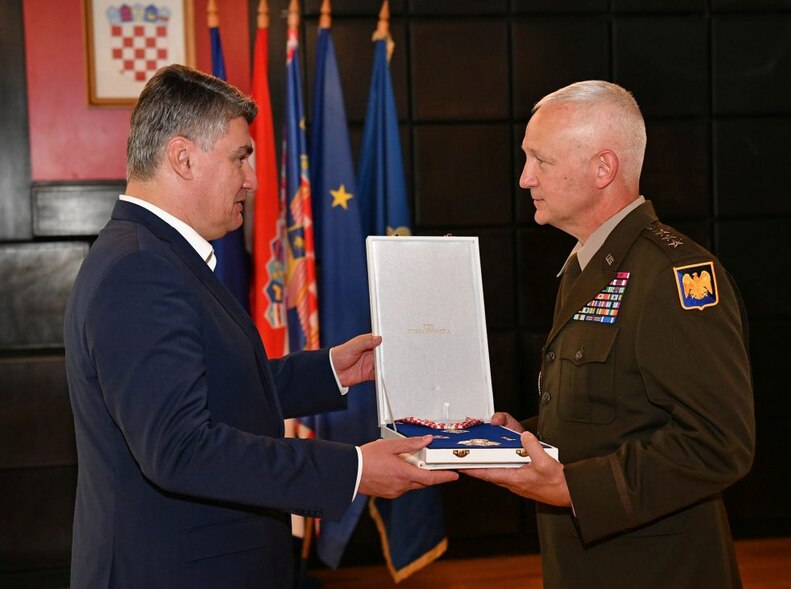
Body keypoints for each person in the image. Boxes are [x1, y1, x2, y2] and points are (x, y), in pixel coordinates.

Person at [63, 64, 457, 588]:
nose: (252, 178)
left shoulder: (156, 255)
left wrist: (329, 372)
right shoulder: (141, 268)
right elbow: (180, 448)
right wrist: (355, 470)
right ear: (182, 158)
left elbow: (210, 387)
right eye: (240, 157)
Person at [464, 81, 755, 588]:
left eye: (541, 160)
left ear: (603, 168)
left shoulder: (672, 276)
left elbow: (719, 442)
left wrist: (574, 488)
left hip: (656, 569)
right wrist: (527, 434)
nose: (524, 177)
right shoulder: (588, 264)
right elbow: (617, 409)